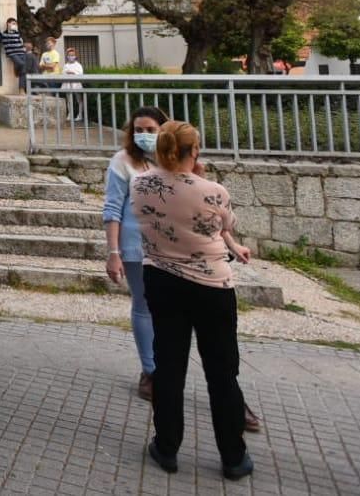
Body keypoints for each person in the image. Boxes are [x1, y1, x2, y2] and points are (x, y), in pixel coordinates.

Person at [138, 121, 255, 481]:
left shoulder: (139, 183)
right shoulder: (213, 191)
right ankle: (233, 456)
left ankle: (168, 446)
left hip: (160, 277)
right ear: (195, 151)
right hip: (211, 285)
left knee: (169, 366)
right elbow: (224, 223)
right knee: (222, 372)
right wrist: (199, 179)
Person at [104, 106, 167, 401]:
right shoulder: (123, 160)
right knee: (143, 306)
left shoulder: (171, 160)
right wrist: (113, 251)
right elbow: (113, 208)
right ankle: (150, 370)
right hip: (134, 245)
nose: (143, 135)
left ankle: (168, 367)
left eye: (150, 130)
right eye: (138, 130)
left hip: (169, 246)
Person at [62, 46, 85, 121]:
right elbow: (63, 74)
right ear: (67, 56)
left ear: (75, 56)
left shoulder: (78, 65)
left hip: (76, 84)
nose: (71, 57)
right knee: (69, 100)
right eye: (69, 55)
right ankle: (70, 114)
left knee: (79, 100)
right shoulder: (66, 65)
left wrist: (73, 73)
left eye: (72, 55)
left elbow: (81, 74)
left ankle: (80, 114)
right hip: (67, 84)